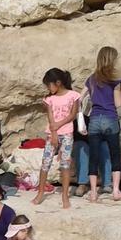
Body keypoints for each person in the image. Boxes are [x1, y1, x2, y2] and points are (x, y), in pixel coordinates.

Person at [83, 46, 121, 203]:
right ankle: (116, 191)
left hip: (95, 120)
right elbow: (117, 103)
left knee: (94, 157)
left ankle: (93, 193)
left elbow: (79, 97)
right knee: (115, 155)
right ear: (112, 60)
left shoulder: (91, 79)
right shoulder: (114, 81)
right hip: (110, 119)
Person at [32, 68, 81, 209]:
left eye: (49, 85)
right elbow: (50, 117)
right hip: (51, 134)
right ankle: (40, 192)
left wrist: (59, 125)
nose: (48, 88)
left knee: (65, 164)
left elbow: (72, 115)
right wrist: (53, 134)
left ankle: (65, 195)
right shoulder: (49, 99)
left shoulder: (73, 95)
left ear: (58, 83)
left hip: (67, 134)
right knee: (45, 163)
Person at [72, 129, 111, 197]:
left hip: (101, 132)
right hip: (82, 134)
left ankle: (106, 183)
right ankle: (82, 184)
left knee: (104, 148)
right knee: (81, 148)